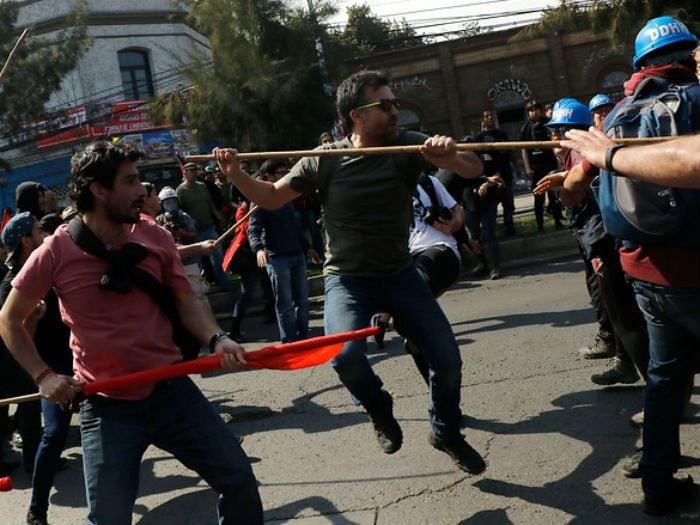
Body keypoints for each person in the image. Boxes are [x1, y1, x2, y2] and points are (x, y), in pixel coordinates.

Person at [215, 69, 487, 473]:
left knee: (446, 359)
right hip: (347, 278)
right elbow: (271, 197)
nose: (396, 111)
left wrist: (450, 156)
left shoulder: (407, 146)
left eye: (395, 103)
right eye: (386, 105)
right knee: (344, 358)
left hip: (400, 273)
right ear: (356, 115)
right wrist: (235, 173)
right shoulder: (325, 160)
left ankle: (445, 430)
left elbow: (472, 168)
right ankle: (378, 406)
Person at [0, 141, 262, 525]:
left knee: (238, 479)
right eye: (131, 181)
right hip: (105, 406)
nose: (143, 190)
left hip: (172, 392)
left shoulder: (154, 236)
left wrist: (217, 338)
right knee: (107, 519)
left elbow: (186, 302)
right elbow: (9, 319)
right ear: (98, 190)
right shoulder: (55, 251)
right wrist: (43, 376)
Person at [559, 17, 700, 515]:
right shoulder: (697, 100)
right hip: (694, 266)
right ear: (689, 57)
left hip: (642, 271)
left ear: (640, 65)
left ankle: (657, 482)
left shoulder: (615, 116)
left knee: (665, 376)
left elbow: (574, 188)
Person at [248, 159, 320, 343]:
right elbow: (253, 230)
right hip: (277, 259)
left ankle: (304, 338)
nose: (286, 176)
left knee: (303, 301)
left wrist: (307, 247)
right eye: (281, 173)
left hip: (297, 254)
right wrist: (258, 249)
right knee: (285, 304)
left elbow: (295, 226)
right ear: (268, 176)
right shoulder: (259, 199)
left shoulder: (285, 196)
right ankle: (290, 342)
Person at [176, 162, 230, 292]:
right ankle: (201, 287)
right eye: (191, 171)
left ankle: (224, 284)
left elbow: (210, 203)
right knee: (198, 262)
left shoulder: (202, 186)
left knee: (219, 256)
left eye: (196, 170)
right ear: (185, 173)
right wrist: (189, 220)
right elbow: (179, 211)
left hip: (209, 227)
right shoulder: (181, 191)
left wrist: (217, 216)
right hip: (195, 232)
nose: (195, 173)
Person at [519, 100, 564, 231]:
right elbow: (523, 149)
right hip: (535, 167)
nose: (534, 112)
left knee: (554, 196)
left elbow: (555, 143)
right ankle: (540, 225)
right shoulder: (525, 128)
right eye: (530, 110)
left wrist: (559, 162)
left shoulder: (548, 124)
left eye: (536, 109)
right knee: (538, 197)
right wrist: (527, 167)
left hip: (550, 165)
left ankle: (557, 221)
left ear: (540, 110)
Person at [476, 110, 516, 236]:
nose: (490, 118)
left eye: (492, 116)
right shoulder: (480, 137)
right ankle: (492, 231)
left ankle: (509, 229)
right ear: (483, 120)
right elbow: (478, 158)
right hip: (491, 178)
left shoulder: (502, 134)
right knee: (492, 206)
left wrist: (515, 165)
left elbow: (510, 151)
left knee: (509, 204)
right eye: (487, 116)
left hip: (505, 174)